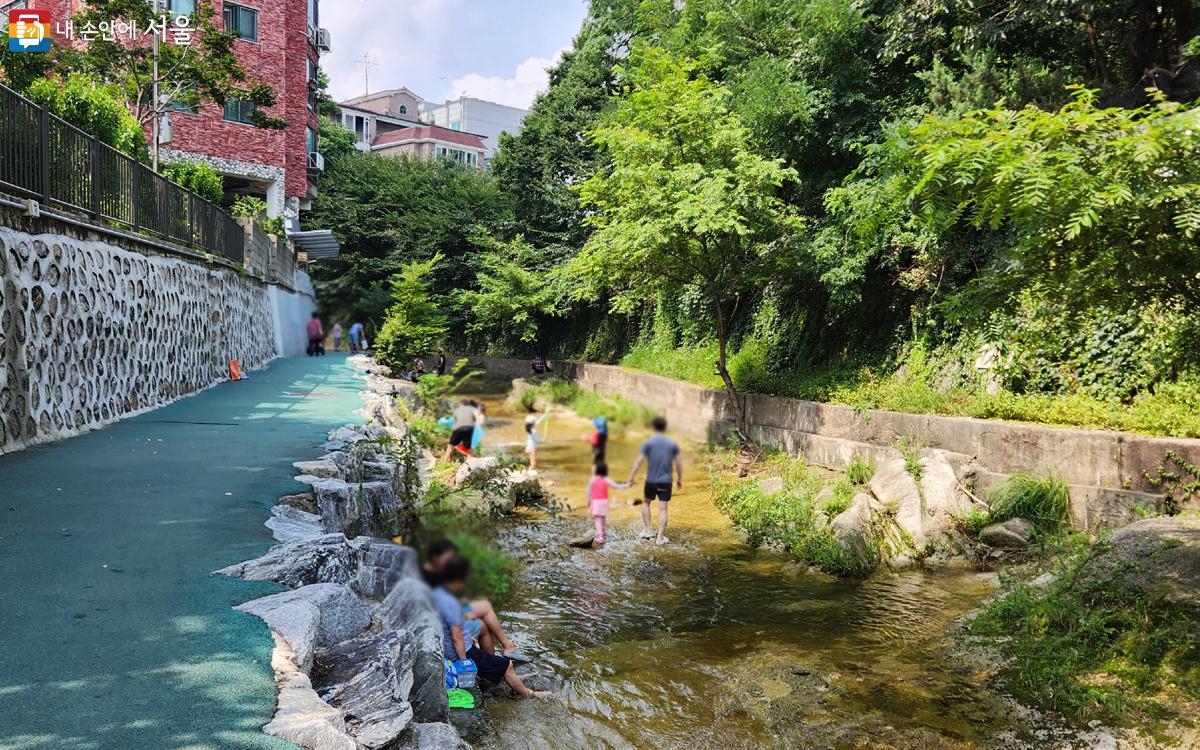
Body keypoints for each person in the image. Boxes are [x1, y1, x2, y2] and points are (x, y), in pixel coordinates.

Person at [434, 556, 547, 697]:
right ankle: (530, 693)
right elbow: (457, 638)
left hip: (452, 647)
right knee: (507, 666)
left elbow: (453, 628)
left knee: (488, 654)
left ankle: (504, 678)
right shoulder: (451, 604)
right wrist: (464, 662)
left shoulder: (440, 593)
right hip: (459, 653)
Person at [421, 539, 530, 662]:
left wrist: (464, 607)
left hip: (448, 613)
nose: (451, 562)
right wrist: (464, 615)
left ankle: (500, 656)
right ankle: (497, 660)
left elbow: (450, 596)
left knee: (486, 605)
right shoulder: (427, 576)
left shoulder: (437, 571)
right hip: (442, 623)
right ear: (436, 556)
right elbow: (439, 608)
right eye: (449, 558)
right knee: (483, 624)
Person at [627, 416, 682, 545]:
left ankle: (647, 531)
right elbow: (678, 464)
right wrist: (680, 479)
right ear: (665, 428)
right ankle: (659, 538)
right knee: (663, 509)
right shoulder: (672, 444)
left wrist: (631, 477)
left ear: (654, 427)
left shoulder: (649, 443)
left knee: (646, 503)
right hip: (666, 481)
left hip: (651, 480)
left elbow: (639, 461)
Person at [587, 462, 630, 546]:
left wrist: (589, 503)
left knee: (597, 520)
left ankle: (600, 537)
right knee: (603, 518)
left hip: (596, 502)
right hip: (604, 502)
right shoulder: (606, 479)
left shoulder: (593, 479)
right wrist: (627, 485)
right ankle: (603, 533)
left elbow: (589, 492)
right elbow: (617, 486)